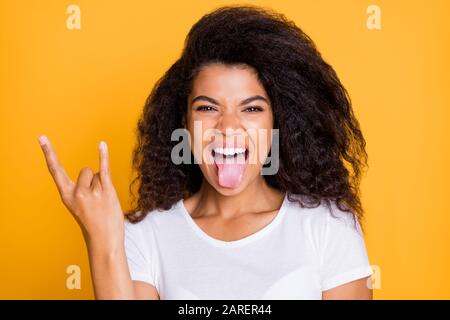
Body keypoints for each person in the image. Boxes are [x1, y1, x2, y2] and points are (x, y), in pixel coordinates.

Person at [38, 5, 373, 300]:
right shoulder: (147, 235)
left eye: (252, 109)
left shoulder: (328, 226)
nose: (228, 127)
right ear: (184, 124)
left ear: (278, 123)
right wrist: (101, 236)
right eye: (208, 108)